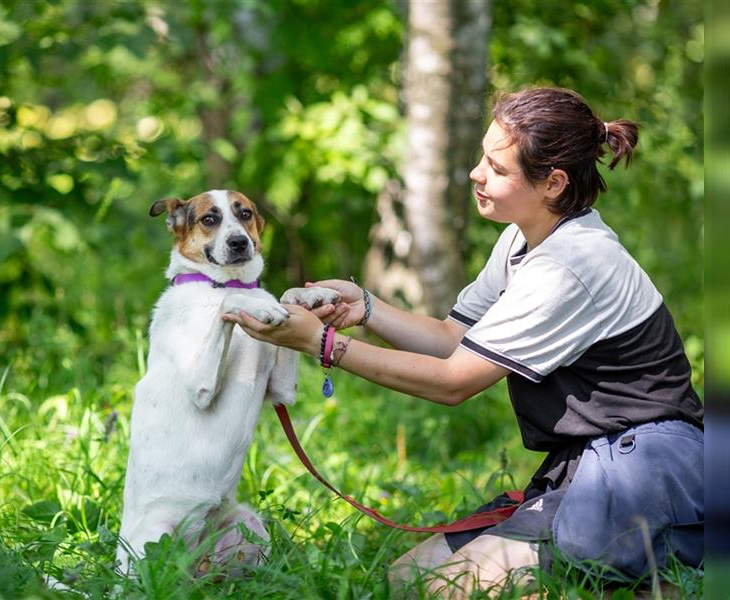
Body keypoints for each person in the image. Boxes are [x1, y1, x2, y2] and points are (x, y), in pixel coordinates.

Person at [223, 87, 704, 597]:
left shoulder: (570, 264)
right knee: (407, 578)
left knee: (450, 587)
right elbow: (454, 338)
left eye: (497, 168)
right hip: (587, 464)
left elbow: (455, 383)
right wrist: (366, 307)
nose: (476, 173)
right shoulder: (525, 237)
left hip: (647, 471)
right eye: (482, 156)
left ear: (553, 183)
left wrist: (322, 344)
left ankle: (669, 562)